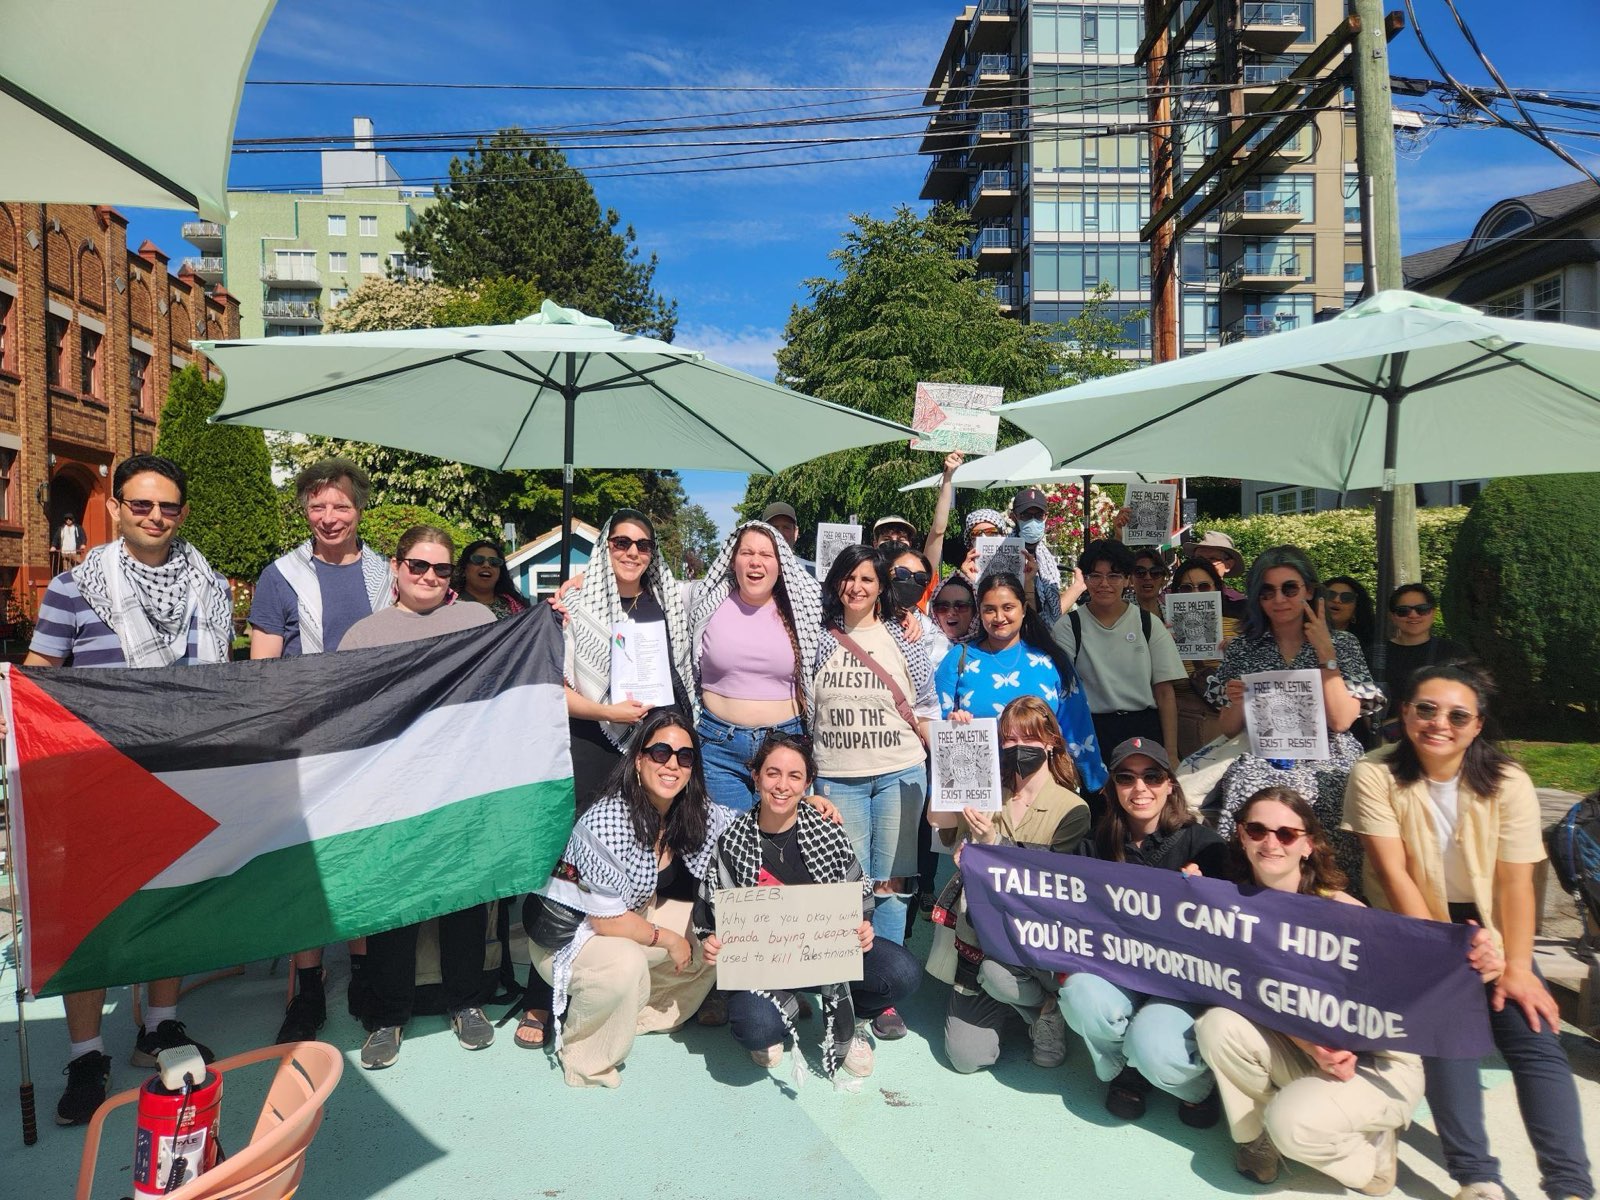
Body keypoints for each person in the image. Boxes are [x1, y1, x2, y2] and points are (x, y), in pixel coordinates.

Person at [24, 454, 233, 1125]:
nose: (155, 516)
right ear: (115, 508)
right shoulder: (74, 589)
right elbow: (39, 673)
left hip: (184, 776)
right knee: (89, 915)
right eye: (141, 504)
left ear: (183, 512)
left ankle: (160, 1026)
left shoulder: (210, 587)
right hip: (98, 777)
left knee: (172, 902)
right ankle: (86, 1054)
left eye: (168, 506)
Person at [1344, 664, 1594, 1200]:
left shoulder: (1508, 782)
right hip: (1415, 927)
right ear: (1405, 712)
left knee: (1534, 1031)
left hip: (1495, 925)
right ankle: (1477, 1178)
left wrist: (1518, 968)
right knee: (1447, 1030)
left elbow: (1516, 883)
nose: (1440, 723)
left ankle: (1570, 1185)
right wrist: (1448, 955)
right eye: (1426, 709)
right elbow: (1394, 873)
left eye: (1458, 716)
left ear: (1477, 725)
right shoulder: (1374, 772)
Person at [520, 509, 697, 1049]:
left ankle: (626, 972)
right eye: (621, 542)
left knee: (645, 852)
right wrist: (609, 713)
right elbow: (552, 688)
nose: (632, 552)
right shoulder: (574, 605)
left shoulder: (668, 603)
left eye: (643, 545)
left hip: (653, 749)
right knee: (572, 863)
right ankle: (541, 992)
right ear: (606, 548)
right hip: (594, 743)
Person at [1196, 787, 1426, 1195]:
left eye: (1286, 834)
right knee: (1216, 1026)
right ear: (1242, 836)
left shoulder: (1344, 913)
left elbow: (1414, 980)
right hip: (1305, 1048)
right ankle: (1257, 1138)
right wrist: (1187, 896)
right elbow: (1233, 984)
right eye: (1257, 830)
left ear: (1308, 845)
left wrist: (1474, 956)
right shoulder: (1233, 906)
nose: (1271, 843)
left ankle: (1370, 1163)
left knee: (1291, 1124)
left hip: (1373, 1062)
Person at [337, 526, 497, 1070]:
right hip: (392, 792)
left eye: (441, 568)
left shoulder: (476, 620)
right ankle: (388, 1015)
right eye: (418, 565)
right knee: (393, 905)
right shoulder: (365, 634)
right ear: (396, 566)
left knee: (463, 901)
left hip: (461, 787)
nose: (429, 576)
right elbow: (347, 713)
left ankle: (466, 1002)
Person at [251, 457, 395, 1044]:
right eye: (317, 506)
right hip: (306, 743)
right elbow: (263, 669)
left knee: (361, 856)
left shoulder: (387, 576)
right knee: (306, 864)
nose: (329, 516)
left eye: (341, 505)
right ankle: (307, 986)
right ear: (304, 510)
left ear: (359, 509)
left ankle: (363, 974)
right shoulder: (280, 576)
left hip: (372, 742)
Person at [697, 733, 921, 1081]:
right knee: (756, 1028)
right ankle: (775, 1017)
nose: (782, 785)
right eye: (772, 773)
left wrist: (862, 923)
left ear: (807, 784)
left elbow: (857, 889)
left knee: (903, 972)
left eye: (794, 776)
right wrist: (711, 940)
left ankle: (852, 1023)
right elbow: (711, 910)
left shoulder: (827, 832)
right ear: (755, 776)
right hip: (764, 967)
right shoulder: (732, 841)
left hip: (826, 961)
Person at [529, 709, 728, 1088]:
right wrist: (670, 940)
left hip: (628, 921)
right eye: (661, 753)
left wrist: (802, 807)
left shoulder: (690, 812)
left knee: (717, 931)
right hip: (568, 938)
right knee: (625, 963)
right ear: (638, 759)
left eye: (685, 756)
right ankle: (585, 1058)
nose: (672, 764)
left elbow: (748, 824)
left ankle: (642, 1009)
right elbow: (605, 922)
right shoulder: (608, 820)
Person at [1059, 738, 1227, 1125]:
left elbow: (1238, 922)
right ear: (1113, 788)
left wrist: (1210, 894)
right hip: (1122, 973)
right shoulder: (1097, 843)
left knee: (1154, 1047)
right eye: (1126, 777)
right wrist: (985, 848)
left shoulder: (1205, 845)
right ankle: (1126, 1069)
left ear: (1170, 784)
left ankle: (1196, 1086)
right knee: (1080, 994)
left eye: (1152, 776)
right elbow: (1046, 887)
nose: (1140, 788)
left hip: (1180, 985)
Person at [1206, 545, 1383, 883]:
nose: (1279, 599)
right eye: (1267, 591)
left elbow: (1341, 721)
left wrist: (1326, 655)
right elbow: (1228, 728)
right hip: (1264, 756)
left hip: (1327, 756)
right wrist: (1238, 700)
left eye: (1289, 588)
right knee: (1247, 790)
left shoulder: (1342, 643)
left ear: (1309, 591)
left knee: (1332, 793)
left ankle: (1331, 890)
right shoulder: (1244, 648)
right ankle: (1249, 888)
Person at [940, 697, 1091, 1075]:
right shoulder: (987, 791)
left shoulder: (1073, 809)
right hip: (981, 938)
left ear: (1051, 742)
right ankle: (1034, 1009)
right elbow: (943, 824)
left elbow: (1049, 880)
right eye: (1009, 739)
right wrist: (954, 742)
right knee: (965, 1058)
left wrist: (992, 845)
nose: (1018, 747)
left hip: (1034, 946)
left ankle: (1046, 1008)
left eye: (1029, 738)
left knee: (999, 977)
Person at [810, 544, 936, 979]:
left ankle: (885, 984)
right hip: (837, 777)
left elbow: (926, 703)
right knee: (848, 885)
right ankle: (848, 982)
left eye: (867, 578)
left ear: (882, 586)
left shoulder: (903, 636)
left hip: (900, 772)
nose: (857, 586)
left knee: (891, 883)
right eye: (849, 577)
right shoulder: (816, 637)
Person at [689, 521, 821, 812]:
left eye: (766, 554)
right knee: (728, 835)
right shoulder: (703, 602)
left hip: (785, 746)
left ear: (781, 564)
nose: (755, 562)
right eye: (747, 553)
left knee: (778, 837)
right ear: (732, 560)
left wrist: (906, 615)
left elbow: (855, 608)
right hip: (718, 749)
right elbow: (652, 591)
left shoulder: (804, 606)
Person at [935, 571, 1107, 795]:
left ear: (1023, 609)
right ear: (980, 612)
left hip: (1044, 790)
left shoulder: (1051, 660)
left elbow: (1078, 725)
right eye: (990, 609)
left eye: (1008, 607)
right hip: (978, 793)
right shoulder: (957, 660)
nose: (999, 617)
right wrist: (952, 725)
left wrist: (1096, 780)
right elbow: (934, 723)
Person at [1053, 539, 1185, 771]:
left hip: (1144, 728)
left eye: (1113, 576)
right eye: (1095, 576)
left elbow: (1165, 692)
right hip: (1091, 731)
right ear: (1085, 579)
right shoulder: (1068, 626)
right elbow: (1060, 691)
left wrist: (1171, 753)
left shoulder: (1148, 624)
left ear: (1127, 579)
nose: (1104, 584)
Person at [1167, 556, 1241, 758]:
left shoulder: (1239, 628)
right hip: (1184, 734)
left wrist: (1239, 652)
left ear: (1217, 589)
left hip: (1229, 731)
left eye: (1204, 586)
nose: (1195, 593)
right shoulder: (1165, 632)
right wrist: (1161, 646)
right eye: (1186, 588)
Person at [1377, 583, 1469, 702]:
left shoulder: (1454, 652)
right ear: (1392, 616)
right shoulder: (1376, 654)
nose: (1413, 615)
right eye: (1403, 611)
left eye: (1422, 609)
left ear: (1433, 612)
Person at [452, 539, 529, 619]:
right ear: (464, 569)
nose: (486, 565)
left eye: (494, 562)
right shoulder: (449, 604)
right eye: (478, 560)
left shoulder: (515, 607)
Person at [760, 501, 814, 573]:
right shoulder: (752, 569)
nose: (780, 533)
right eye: (773, 527)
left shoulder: (812, 572)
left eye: (786, 527)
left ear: (795, 533)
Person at [1324, 575, 1376, 650]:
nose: (1336, 600)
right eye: (1330, 594)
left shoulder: (1370, 647)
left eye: (1346, 597)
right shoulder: (1305, 635)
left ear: (1356, 609)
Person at [1130, 546, 1170, 618]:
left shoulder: (1171, 615)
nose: (1148, 577)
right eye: (1140, 572)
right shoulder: (1119, 611)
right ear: (1130, 578)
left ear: (1163, 579)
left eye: (1155, 572)